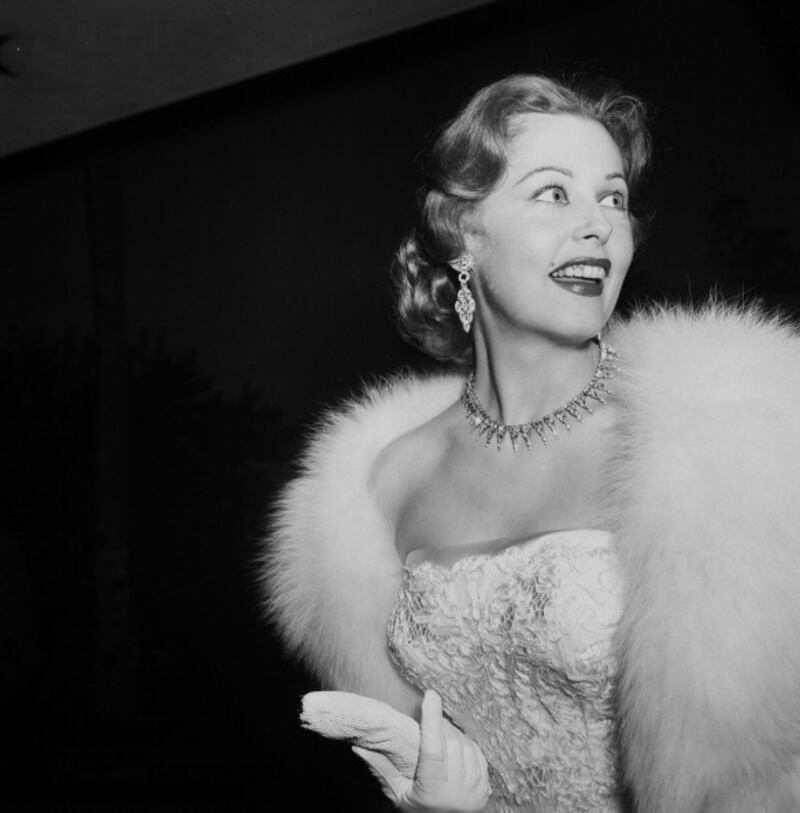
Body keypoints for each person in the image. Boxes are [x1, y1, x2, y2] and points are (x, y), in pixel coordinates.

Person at [260, 75, 800, 812]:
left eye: (613, 198)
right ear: (463, 234)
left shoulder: (727, 438)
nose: (598, 225)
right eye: (554, 193)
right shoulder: (382, 486)